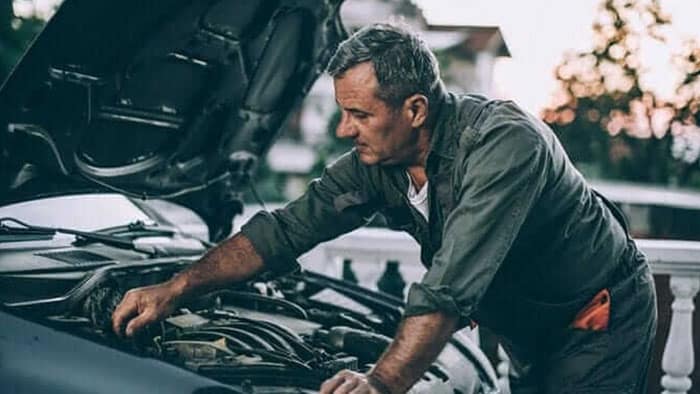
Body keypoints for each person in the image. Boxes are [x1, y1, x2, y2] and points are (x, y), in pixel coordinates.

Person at [112, 23, 657, 394]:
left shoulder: (503, 146)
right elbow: (283, 231)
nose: (343, 129)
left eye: (358, 114)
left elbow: (449, 287)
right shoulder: (379, 160)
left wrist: (379, 383)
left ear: (415, 109)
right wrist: (174, 289)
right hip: (528, 324)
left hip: (595, 316)